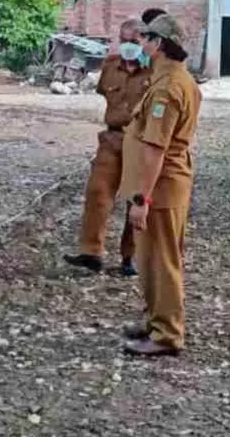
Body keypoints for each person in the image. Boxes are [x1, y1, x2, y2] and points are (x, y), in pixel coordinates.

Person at [119, 14, 202, 357]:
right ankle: (155, 319)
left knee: (163, 261)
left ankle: (167, 334)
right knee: (152, 258)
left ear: (159, 43)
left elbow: (156, 148)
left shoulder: (168, 88)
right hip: (165, 186)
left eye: (146, 38)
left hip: (162, 187)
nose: (140, 43)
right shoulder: (174, 80)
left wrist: (142, 199)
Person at [64, 19, 152, 276]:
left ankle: (130, 257)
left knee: (135, 199)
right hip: (111, 140)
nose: (128, 47)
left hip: (140, 143)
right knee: (98, 193)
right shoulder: (110, 66)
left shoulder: (153, 70)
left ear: (144, 42)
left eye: (134, 42)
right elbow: (105, 93)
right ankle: (91, 253)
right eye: (124, 41)